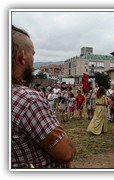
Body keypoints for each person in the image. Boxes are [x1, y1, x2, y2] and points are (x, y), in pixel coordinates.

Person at [11, 25, 76, 168]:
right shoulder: (28, 100)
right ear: (22, 56)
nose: (33, 60)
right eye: (32, 54)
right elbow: (66, 153)